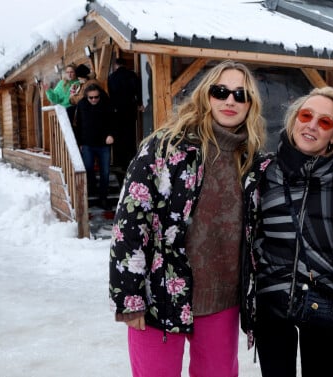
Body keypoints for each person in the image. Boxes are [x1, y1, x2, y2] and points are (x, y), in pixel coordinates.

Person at [109, 60, 267, 377]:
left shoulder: (251, 161)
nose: (230, 100)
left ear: (251, 104)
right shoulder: (166, 148)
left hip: (222, 300)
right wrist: (129, 297)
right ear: (205, 95)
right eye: (220, 91)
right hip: (160, 295)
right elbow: (129, 223)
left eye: (241, 94)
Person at [241, 87, 333, 377]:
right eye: (306, 115)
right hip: (272, 300)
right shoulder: (262, 170)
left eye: (324, 122)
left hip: (327, 302)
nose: (311, 125)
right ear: (294, 119)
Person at [74, 83, 115, 210]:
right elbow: (78, 124)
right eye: (90, 97)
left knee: (105, 172)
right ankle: (92, 192)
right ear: (86, 96)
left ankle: (103, 198)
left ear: (100, 95)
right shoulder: (81, 105)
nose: (93, 100)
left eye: (96, 97)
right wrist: (79, 143)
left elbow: (114, 121)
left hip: (104, 144)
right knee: (88, 168)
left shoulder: (106, 104)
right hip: (87, 144)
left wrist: (111, 134)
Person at [107, 57, 143, 181]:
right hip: (130, 108)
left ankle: (119, 161)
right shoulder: (132, 75)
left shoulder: (112, 77)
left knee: (119, 134)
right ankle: (131, 158)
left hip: (117, 110)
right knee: (131, 133)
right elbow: (138, 90)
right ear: (125, 65)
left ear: (116, 65)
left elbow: (110, 93)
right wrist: (139, 103)